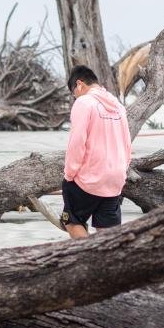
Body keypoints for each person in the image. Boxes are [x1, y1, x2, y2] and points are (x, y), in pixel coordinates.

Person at [60, 64, 132, 238]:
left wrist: (69, 175)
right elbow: (127, 144)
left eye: (74, 93)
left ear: (79, 84)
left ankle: (88, 260)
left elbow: (77, 143)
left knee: (72, 221)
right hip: (115, 178)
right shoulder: (117, 105)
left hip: (89, 178)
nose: (75, 97)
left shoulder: (84, 103)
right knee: (108, 232)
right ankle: (109, 263)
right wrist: (122, 170)